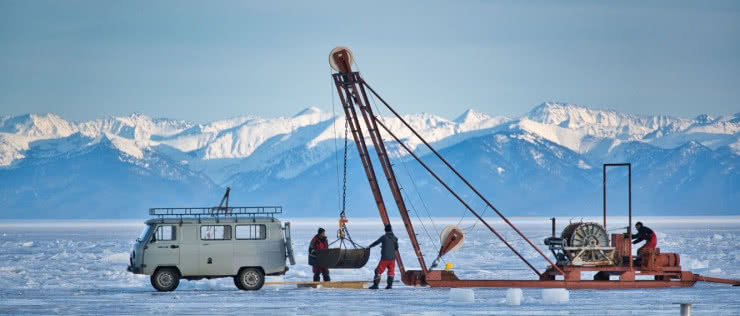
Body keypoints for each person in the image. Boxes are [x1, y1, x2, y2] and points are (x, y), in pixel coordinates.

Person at [367, 224, 399, 289]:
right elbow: (396, 248)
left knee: (378, 271)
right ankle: (389, 286)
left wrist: (369, 246)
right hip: (392, 259)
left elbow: (376, 242)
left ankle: (375, 285)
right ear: (391, 230)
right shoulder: (395, 238)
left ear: (385, 230)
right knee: (391, 272)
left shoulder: (384, 237)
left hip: (385, 258)